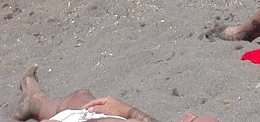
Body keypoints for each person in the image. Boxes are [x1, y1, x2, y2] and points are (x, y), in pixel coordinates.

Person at [14, 66, 218, 122]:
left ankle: (32, 99)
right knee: (81, 96)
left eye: (192, 120)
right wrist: (128, 112)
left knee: (74, 103)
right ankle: (32, 99)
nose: (187, 115)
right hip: (97, 116)